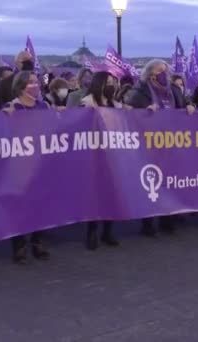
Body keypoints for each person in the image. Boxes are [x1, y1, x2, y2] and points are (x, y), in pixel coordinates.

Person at [125, 59, 195, 236]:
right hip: (149, 145)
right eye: (160, 71)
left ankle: (167, 219)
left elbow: (187, 101)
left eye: (165, 71)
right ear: (150, 74)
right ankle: (147, 222)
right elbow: (130, 109)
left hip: (172, 143)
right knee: (150, 183)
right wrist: (144, 109)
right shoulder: (139, 91)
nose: (164, 74)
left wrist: (190, 105)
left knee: (170, 182)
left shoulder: (174, 90)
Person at [2, 71, 51, 264]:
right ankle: (19, 245)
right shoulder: (12, 107)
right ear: (21, 86)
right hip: (19, 166)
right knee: (20, 205)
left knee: (39, 204)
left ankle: (38, 242)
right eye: (30, 82)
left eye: (36, 81)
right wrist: (6, 118)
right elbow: (2, 134)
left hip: (40, 163)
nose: (35, 85)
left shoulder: (44, 106)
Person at [80, 71, 122, 250]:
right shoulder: (87, 102)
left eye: (113, 82)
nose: (112, 85)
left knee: (111, 193)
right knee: (95, 194)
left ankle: (108, 230)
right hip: (94, 155)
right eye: (109, 82)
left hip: (112, 155)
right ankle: (92, 230)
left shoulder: (115, 104)